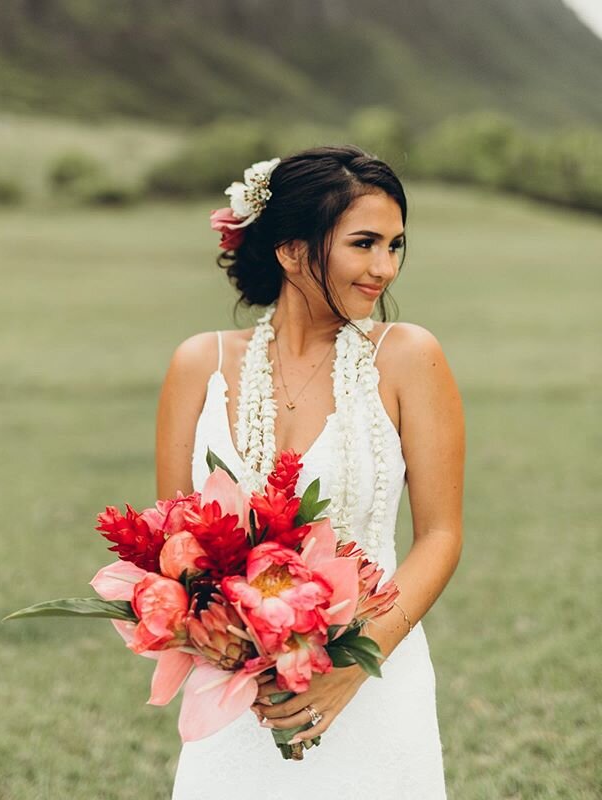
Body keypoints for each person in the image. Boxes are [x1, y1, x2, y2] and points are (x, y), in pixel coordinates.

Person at [155, 144, 465, 799]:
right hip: (239, 692)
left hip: (376, 676)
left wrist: (355, 665)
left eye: (396, 244)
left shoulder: (409, 355)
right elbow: (178, 548)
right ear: (292, 251)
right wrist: (247, 652)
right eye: (364, 243)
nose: (386, 267)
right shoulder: (196, 364)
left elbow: (440, 535)